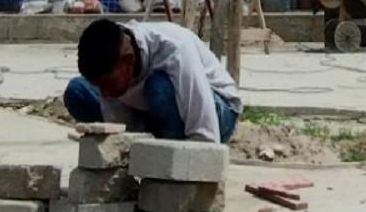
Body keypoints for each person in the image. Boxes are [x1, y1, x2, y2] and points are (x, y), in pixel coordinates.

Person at [65, 18, 239, 143]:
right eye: (99, 86)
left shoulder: (174, 50)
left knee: (158, 87)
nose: (105, 93)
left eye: (108, 84)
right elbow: (120, 129)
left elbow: (206, 134)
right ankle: (155, 141)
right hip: (152, 110)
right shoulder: (112, 53)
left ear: (128, 60)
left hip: (216, 111)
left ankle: (169, 153)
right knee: (77, 91)